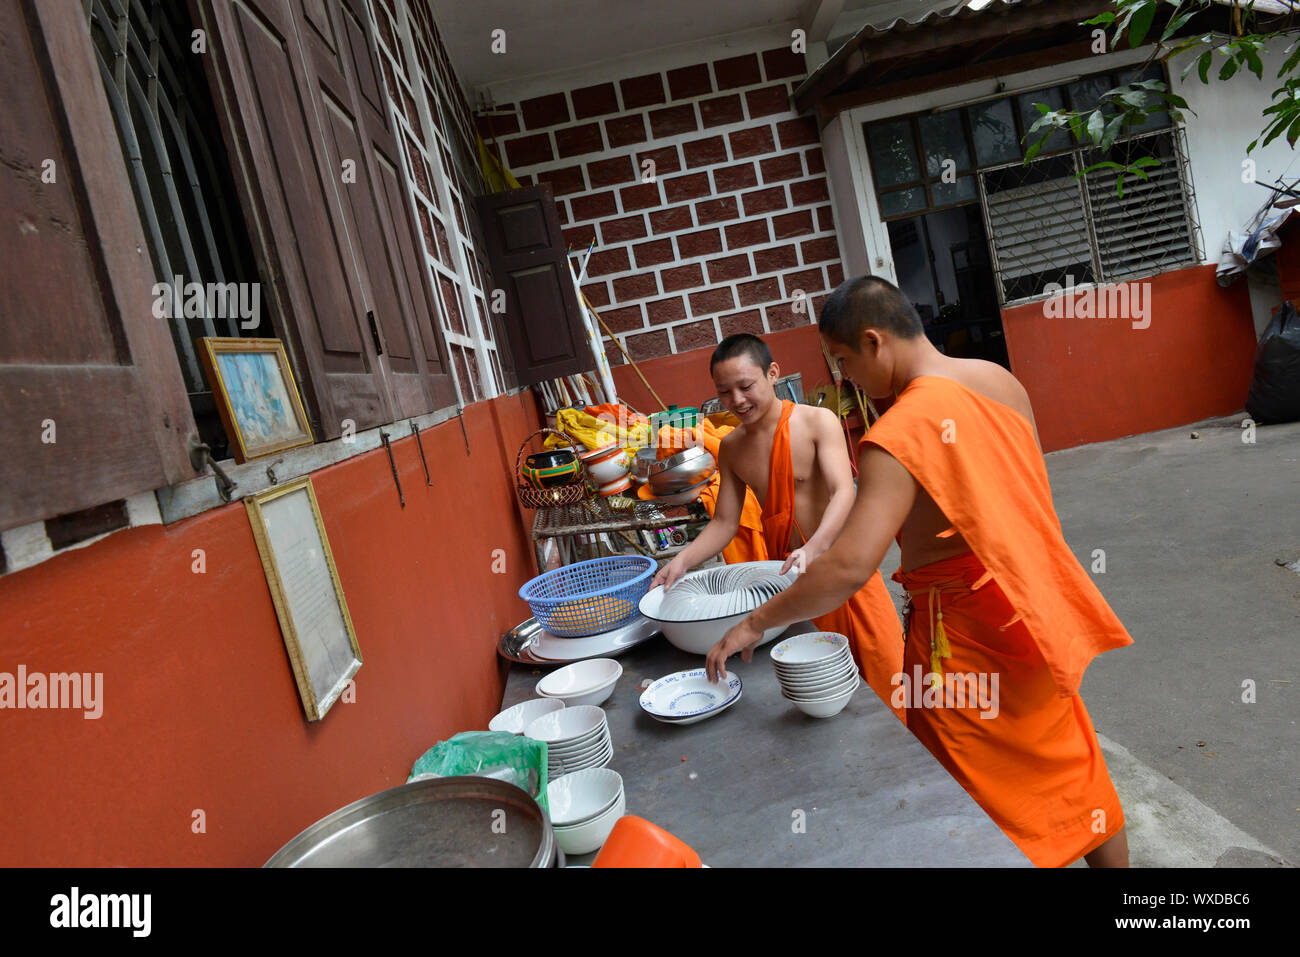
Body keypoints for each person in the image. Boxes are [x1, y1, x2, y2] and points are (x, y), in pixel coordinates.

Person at [704, 276, 1133, 868]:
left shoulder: (898, 433)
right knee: (1065, 752)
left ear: (876, 342)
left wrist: (753, 624)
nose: (847, 379)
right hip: (1031, 601)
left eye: (846, 361)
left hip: (959, 631)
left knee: (974, 779)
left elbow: (852, 565)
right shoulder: (998, 380)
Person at [651, 333, 904, 722]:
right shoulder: (733, 447)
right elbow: (724, 521)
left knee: (885, 670)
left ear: (773, 373)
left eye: (745, 386)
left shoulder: (817, 422)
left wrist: (816, 547)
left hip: (841, 569)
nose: (736, 400)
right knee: (816, 684)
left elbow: (843, 492)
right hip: (787, 580)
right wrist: (682, 561)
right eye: (724, 392)